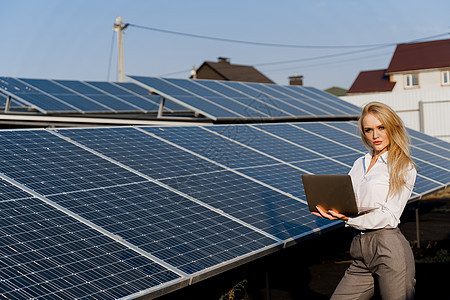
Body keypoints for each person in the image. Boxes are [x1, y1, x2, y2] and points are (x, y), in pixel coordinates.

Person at [312, 101, 417, 299]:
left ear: (392, 127)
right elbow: (351, 201)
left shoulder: (403, 166)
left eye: (381, 127)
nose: (375, 135)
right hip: (359, 247)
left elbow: (390, 216)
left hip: (388, 247)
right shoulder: (360, 163)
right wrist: (331, 208)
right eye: (368, 130)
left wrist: (347, 219)